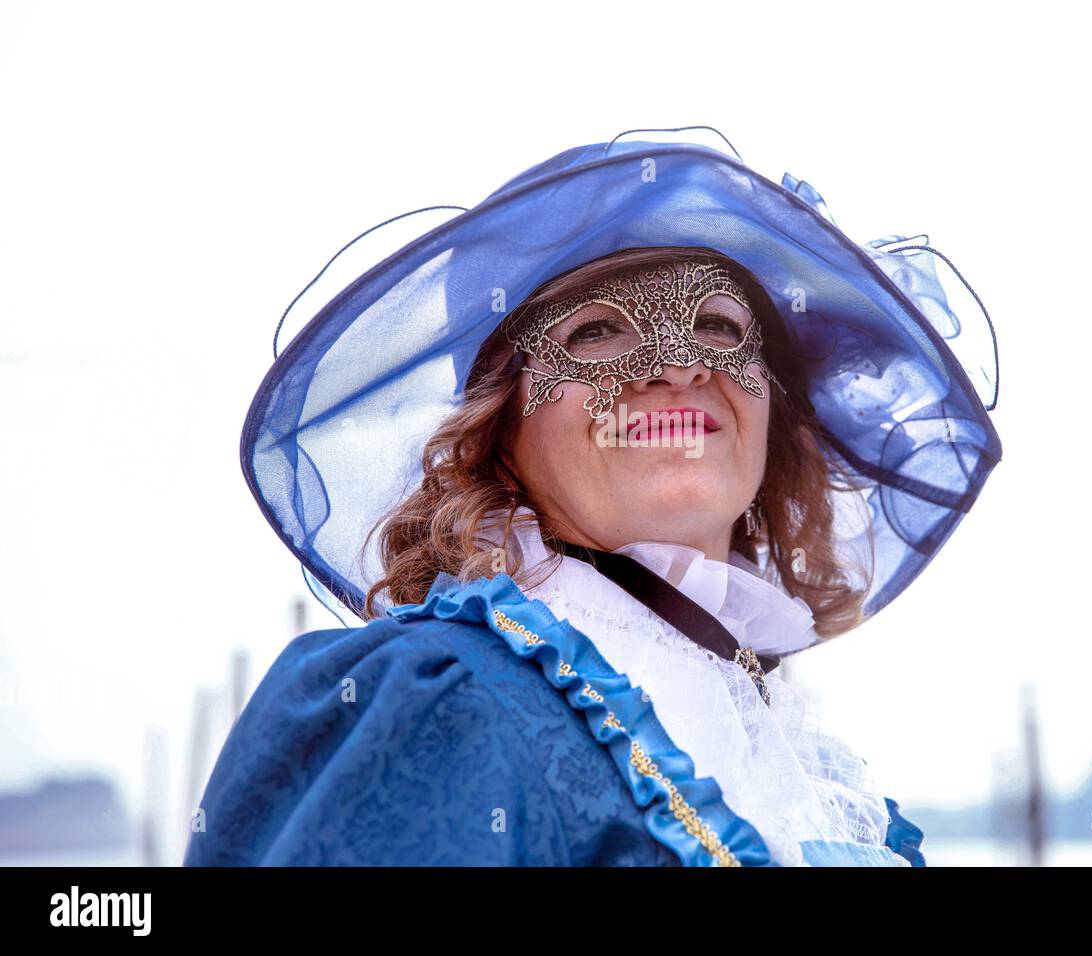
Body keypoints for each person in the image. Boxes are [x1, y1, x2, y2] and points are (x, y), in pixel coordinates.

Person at [184, 129, 1002, 867]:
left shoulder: (822, 788)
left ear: (770, 413)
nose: (677, 367)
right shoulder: (438, 700)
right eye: (598, 332)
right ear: (498, 431)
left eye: (718, 326)